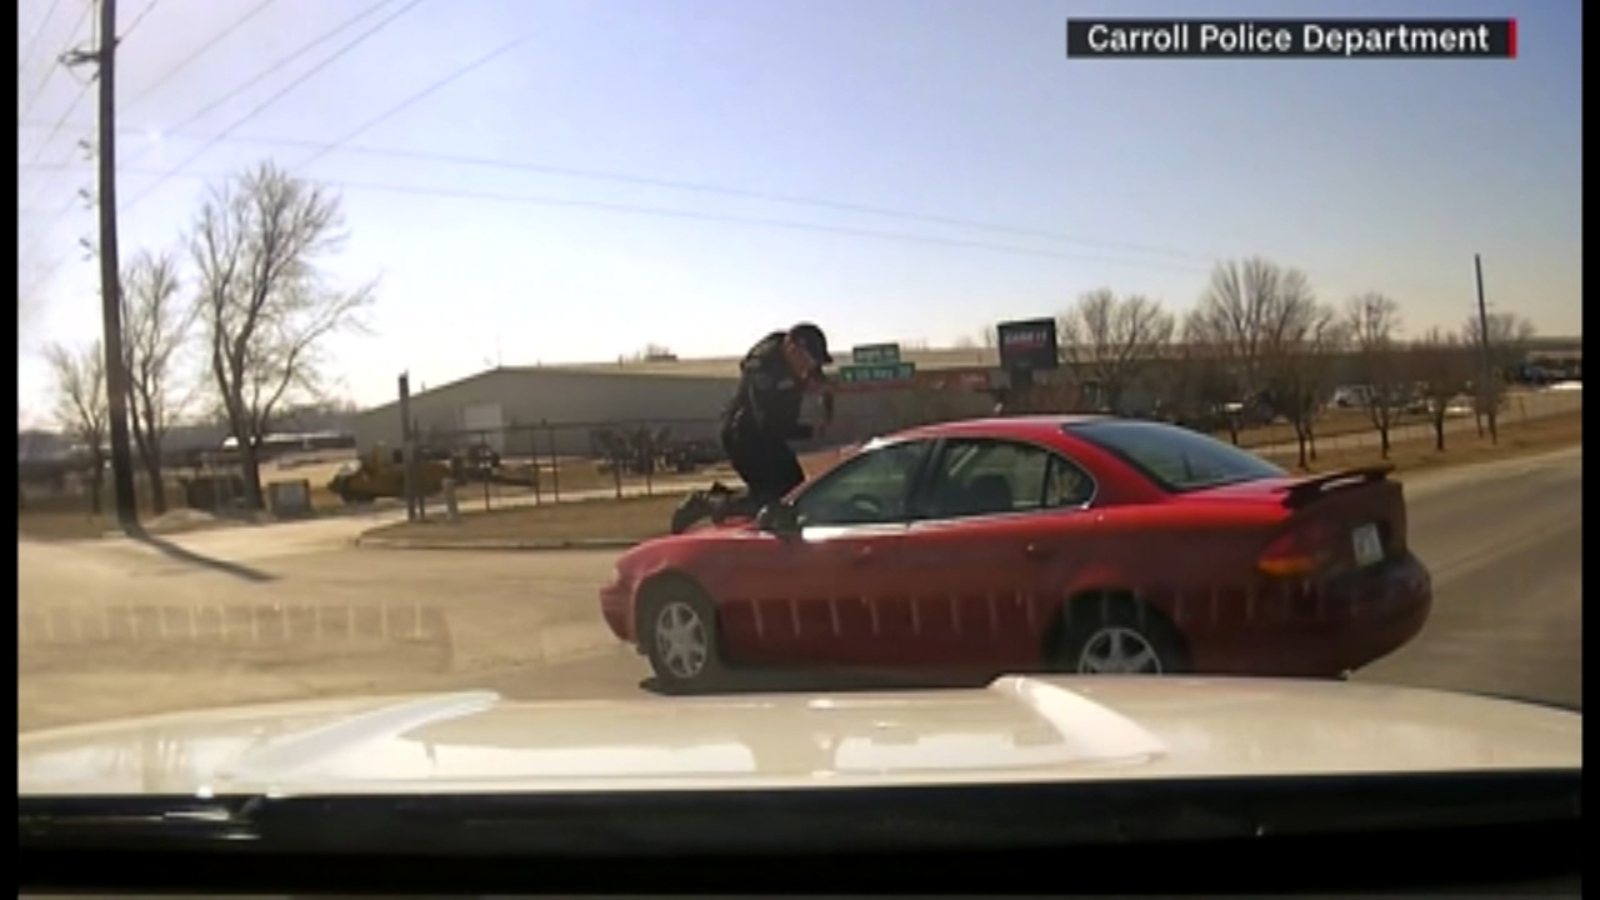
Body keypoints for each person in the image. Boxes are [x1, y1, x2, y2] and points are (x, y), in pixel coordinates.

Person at [671, 323, 834, 535]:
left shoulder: (799, 360)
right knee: (769, 496)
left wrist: (824, 392)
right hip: (744, 435)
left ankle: (775, 535)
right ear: (792, 349)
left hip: (768, 436)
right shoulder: (762, 368)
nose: (808, 369)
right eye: (807, 361)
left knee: (795, 490)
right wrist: (808, 431)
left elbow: (818, 380)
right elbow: (769, 422)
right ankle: (707, 503)